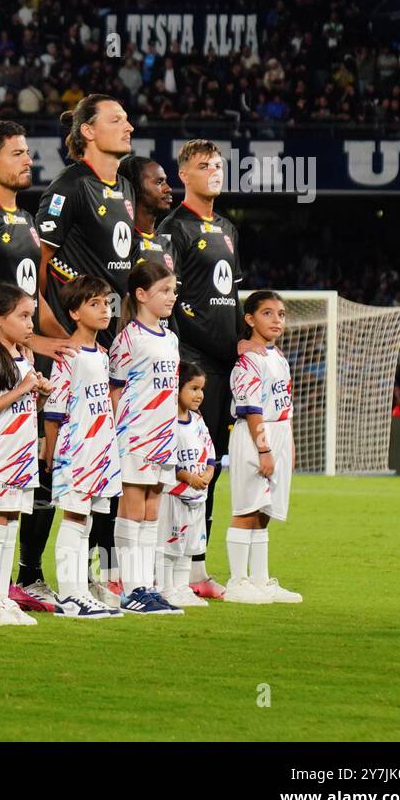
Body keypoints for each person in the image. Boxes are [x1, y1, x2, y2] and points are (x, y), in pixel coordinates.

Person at [0, 120, 73, 612]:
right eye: (18, 153)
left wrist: (62, 341)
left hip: (24, 357)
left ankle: (14, 579)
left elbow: (39, 294)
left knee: (24, 473)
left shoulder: (28, 220)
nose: (29, 160)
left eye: (29, 152)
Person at [35, 94, 136, 608]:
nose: (129, 126)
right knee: (57, 466)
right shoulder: (69, 187)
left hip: (105, 345)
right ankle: (34, 574)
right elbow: (38, 263)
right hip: (69, 348)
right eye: (116, 120)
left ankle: (92, 575)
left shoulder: (126, 189)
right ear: (89, 133)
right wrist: (55, 336)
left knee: (100, 468)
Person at [157, 139, 256, 600]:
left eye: (218, 165)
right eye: (203, 165)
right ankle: (165, 569)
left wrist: (243, 344)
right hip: (193, 367)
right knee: (178, 469)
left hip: (224, 367)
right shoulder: (173, 227)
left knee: (209, 467)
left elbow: (231, 301)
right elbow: (171, 300)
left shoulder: (229, 228)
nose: (214, 172)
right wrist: (190, 358)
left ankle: (196, 568)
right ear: (184, 176)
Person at [42, 275, 124, 619]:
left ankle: (80, 589)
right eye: (95, 304)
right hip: (76, 449)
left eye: (106, 303)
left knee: (86, 520)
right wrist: (51, 451)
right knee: (74, 517)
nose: (104, 309)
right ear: (74, 312)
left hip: (100, 449)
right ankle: (70, 593)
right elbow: (54, 408)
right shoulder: (68, 355)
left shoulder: (101, 354)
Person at [0, 282, 50, 626]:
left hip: (21, 451)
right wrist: (24, 387)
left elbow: (25, 407)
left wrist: (41, 394)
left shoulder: (23, 356)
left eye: (31, 316)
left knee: (10, 522)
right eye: (23, 316)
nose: (30, 324)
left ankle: (2, 594)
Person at [108, 261, 183, 615]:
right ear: (141, 295)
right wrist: (114, 438)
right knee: (132, 510)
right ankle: (129, 588)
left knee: (153, 511)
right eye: (164, 291)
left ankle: (147, 585)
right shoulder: (128, 339)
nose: (172, 297)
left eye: (173, 291)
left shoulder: (170, 338)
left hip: (163, 436)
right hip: (135, 434)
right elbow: (115, 392)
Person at [225, 291, 303, 604]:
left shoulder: (278, 358)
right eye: (268, 313)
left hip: (279, 435)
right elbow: (252, 408)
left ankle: (260, 580)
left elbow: (286, 404)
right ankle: (237, 581)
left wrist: (289, 445)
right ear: (250, 319)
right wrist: (264, 449)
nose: (276, 320)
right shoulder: (249, 359)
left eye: (281, 314)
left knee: (264, 512)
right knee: (246, 508)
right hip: (256, 436)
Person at [158, 362, 215, 608]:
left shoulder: (197, 421)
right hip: (174, 495)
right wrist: (189, 478)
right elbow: (167, 461)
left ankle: (182, 588)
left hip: (196, 496)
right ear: (177, 388)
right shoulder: (167, 421)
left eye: (201, 389)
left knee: (189, 547)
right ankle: (164, 587)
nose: (199, 395)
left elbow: (210, 452)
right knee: (170, 545)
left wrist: (209, 473)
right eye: (193, 388)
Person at [118, 154, 174, 271]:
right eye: (159, 182)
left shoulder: (167, 245)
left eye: (165, 181)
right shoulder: (121, 241)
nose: (168, 188)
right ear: (135, 187)